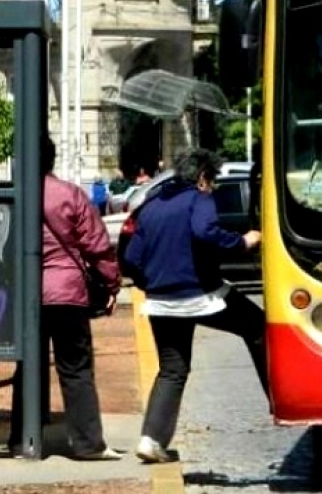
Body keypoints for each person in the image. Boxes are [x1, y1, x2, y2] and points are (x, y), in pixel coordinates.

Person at [122, 149, 266, 463]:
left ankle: (151, 439)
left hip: (161, 301)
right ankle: (280, 401)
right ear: (202, 177)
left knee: (172, 370)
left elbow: (131, 259)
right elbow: (205, 231)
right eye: (212, 180)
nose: (212, 187)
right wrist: (243, 242)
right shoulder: (198, 199)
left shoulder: (151, 206)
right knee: (258, 327)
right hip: (202, 294)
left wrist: (154, 283)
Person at [8, 133, 123, 460]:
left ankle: (21, 440)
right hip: (68, 292)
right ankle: (88, 444)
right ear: (51, 158)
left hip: (28, 296)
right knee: (76, 369)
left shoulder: (14, 195)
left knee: (27, 368)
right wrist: (111, 286)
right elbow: (97, 247)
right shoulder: (70, 194)